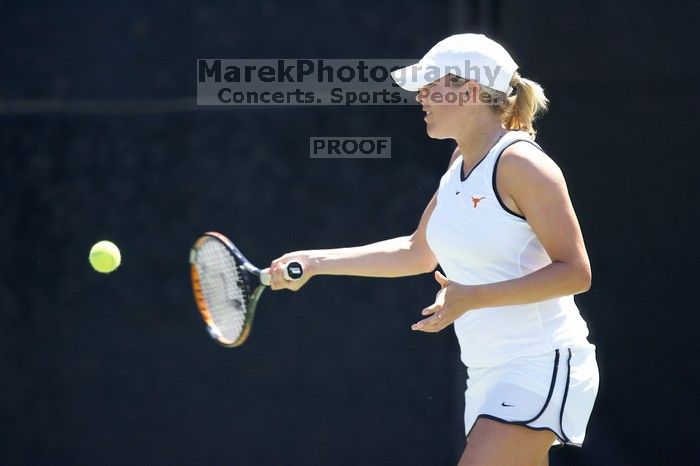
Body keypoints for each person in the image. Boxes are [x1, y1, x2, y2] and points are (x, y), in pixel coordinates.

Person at [268, 34, 599, 466]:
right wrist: (315, 262)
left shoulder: (523, 165)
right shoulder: (458, 163)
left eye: (431, 84)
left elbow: (576, 272)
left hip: (540, 362)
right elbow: (416, 251)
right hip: (485, 372)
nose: (420, 96)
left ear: (471, 90)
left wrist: (473, 297)